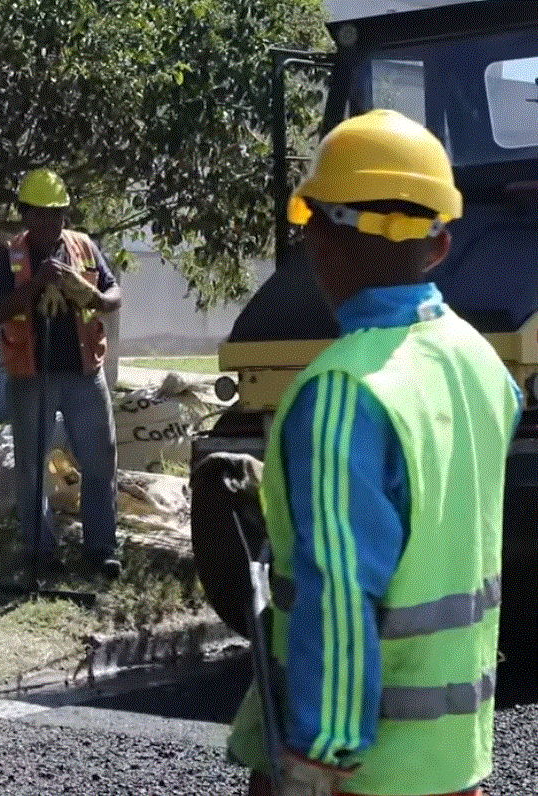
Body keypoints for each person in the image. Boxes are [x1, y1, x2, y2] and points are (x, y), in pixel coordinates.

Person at [227, 110, 521, 796]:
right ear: (441, 245)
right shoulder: (480, 364)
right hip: (452, 760)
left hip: (364, 772)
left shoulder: (342, 391)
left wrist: (318, 756)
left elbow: (339, 587)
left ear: (319, 237)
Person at [0, 168, 122, 581]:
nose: (50, 222)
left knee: (100, 461)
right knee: (31, 465)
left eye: (58, 213)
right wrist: (36, 284)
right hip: (31, 374)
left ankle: (101, 549)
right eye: (41, 214)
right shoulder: (8, 256)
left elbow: (113, 295)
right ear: (25, 215)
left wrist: (90, 292)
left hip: (83, 372)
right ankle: (39, 550)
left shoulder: (83, 248)